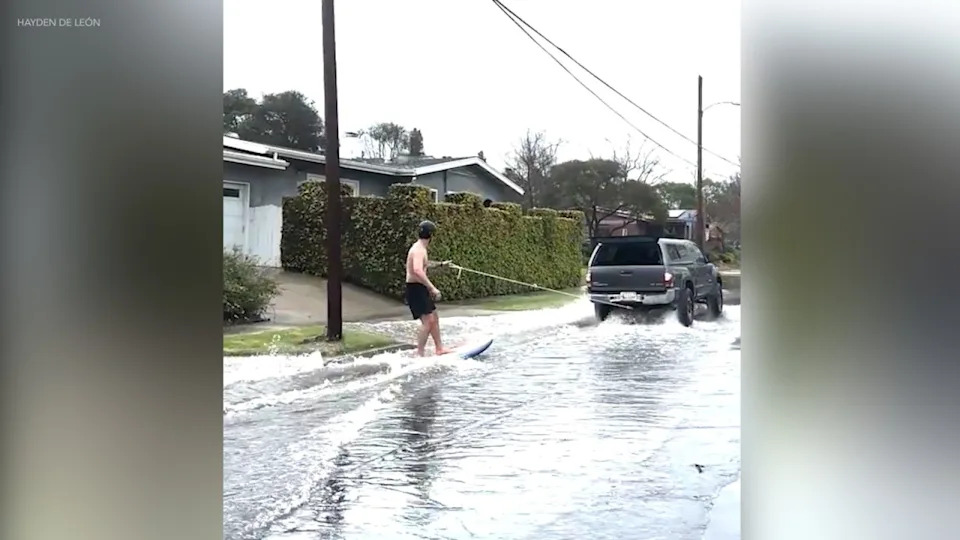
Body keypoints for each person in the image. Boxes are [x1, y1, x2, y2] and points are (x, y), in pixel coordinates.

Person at [405, 220, 452, 357]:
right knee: (428, 321)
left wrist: (441, 264)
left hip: (419, 287)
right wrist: (432, 288)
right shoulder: (419, 250)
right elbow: (418, 270)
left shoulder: (419, 248)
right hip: (415, 288)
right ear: (431, 235)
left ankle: (439, 348)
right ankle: (420, 354)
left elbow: (424, 264)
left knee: (434, 317)